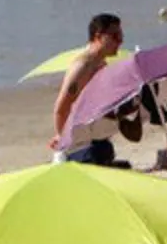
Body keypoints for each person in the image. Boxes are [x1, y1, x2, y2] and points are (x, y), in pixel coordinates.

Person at [51, 13, 126, 164]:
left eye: (121, 36)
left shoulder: (101, 64)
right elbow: (61, 108)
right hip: (82, 145)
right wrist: (63, 140)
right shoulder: (83, 66)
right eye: (115, 36)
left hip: (96, 140)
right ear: (99, 37)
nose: (120, 41)